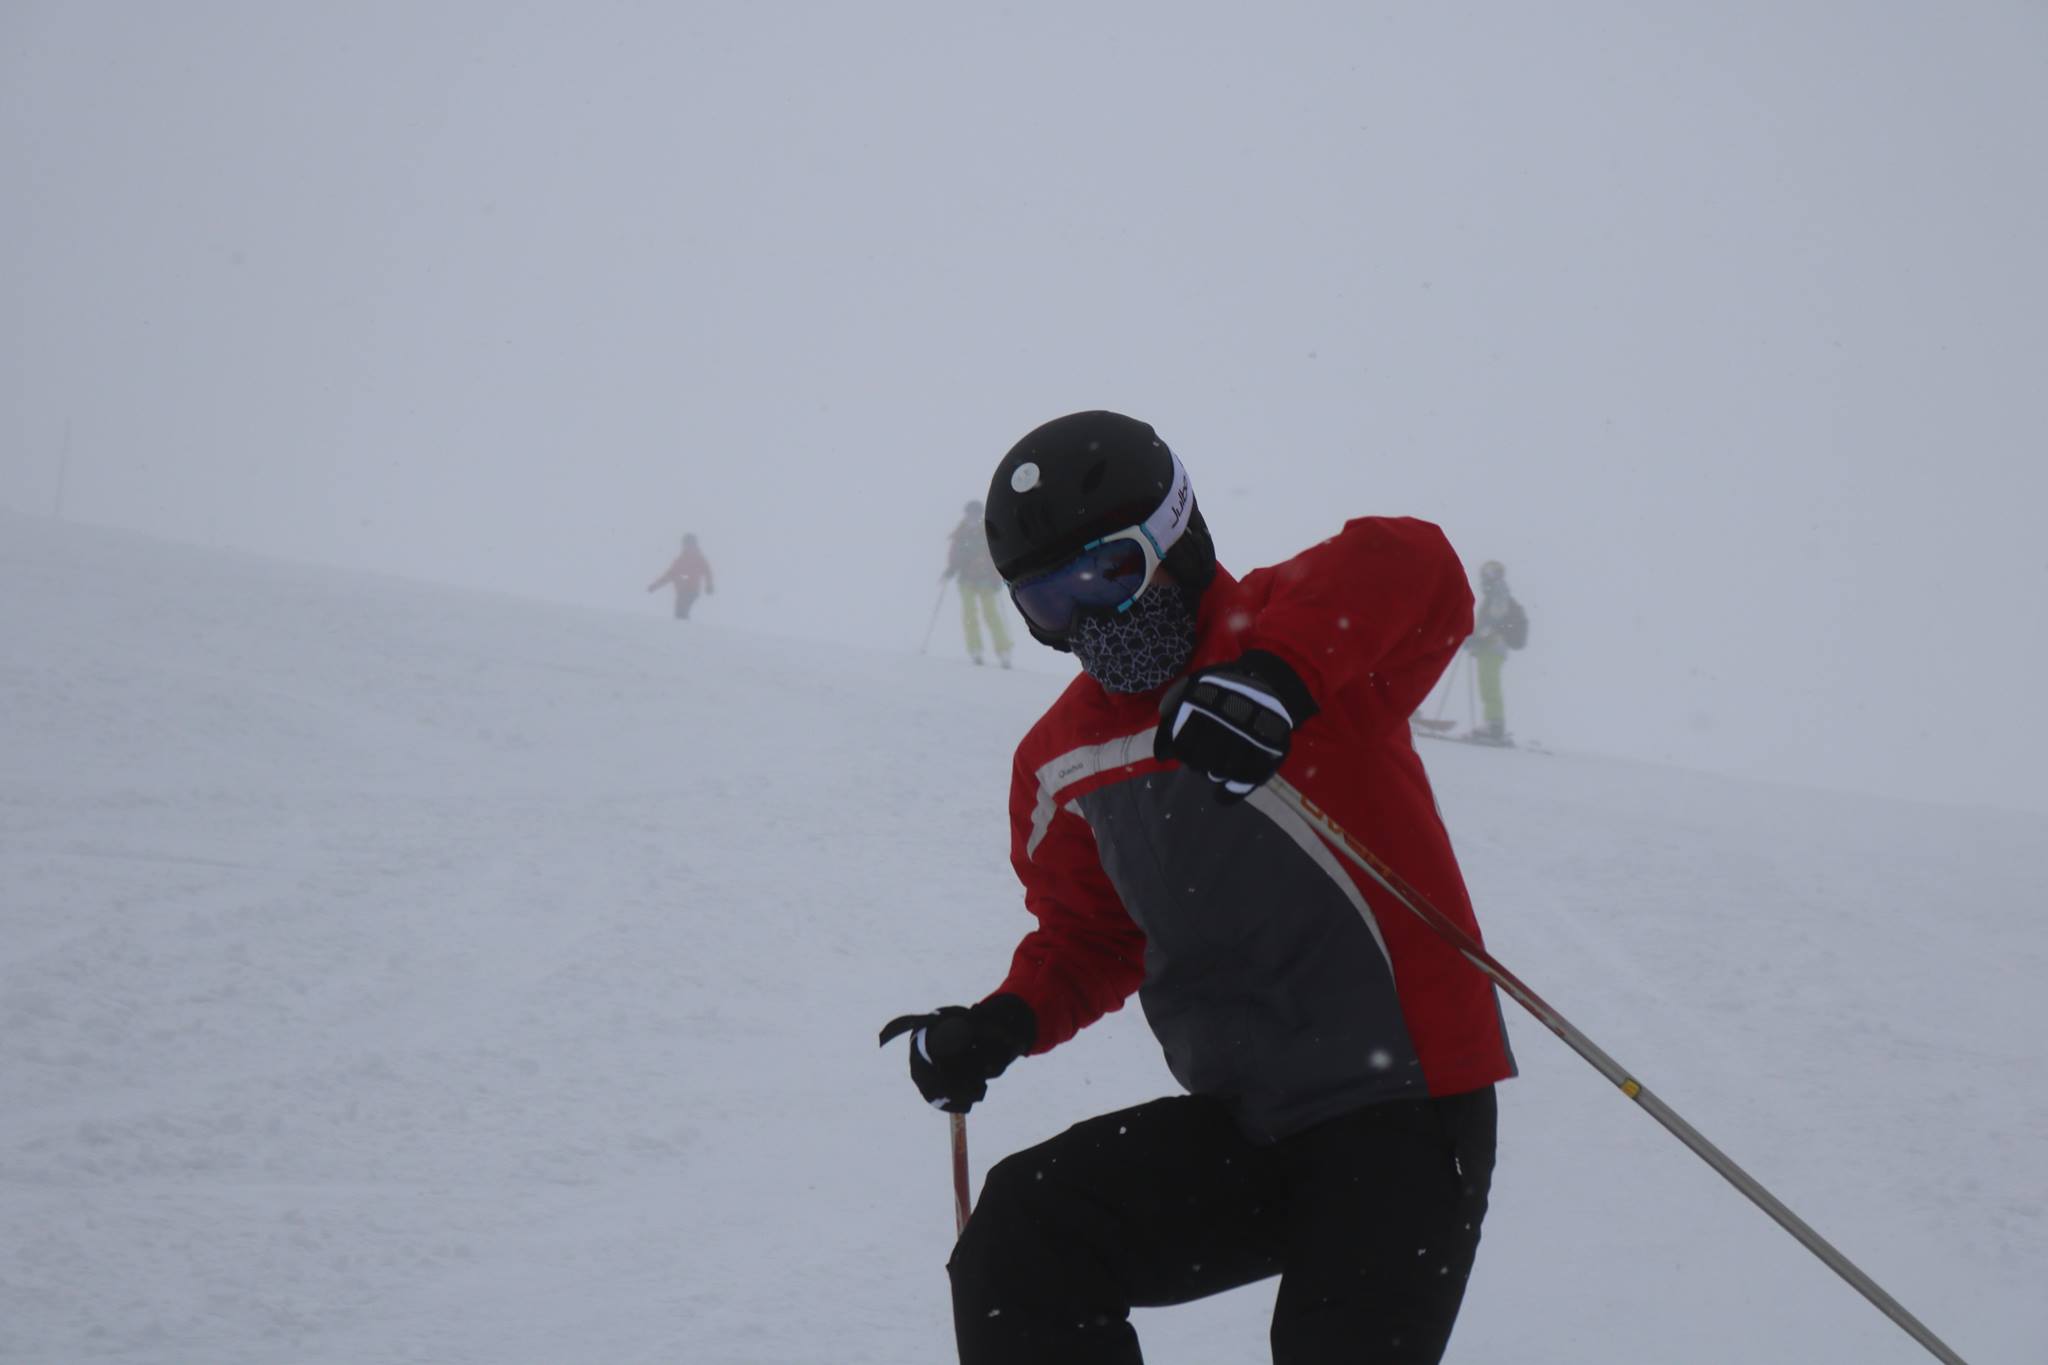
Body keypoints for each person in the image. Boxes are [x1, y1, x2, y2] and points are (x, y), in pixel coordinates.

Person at [881, 411, 1516, 1365]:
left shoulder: (1294, 642)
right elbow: (1094, 937)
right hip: (1249, 1123)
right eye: (1049, 601)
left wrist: (1275, 680)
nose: (1090, 620)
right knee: (1025, 1233)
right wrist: (1006, 1019)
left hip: (1403, 1108)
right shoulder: (1061, 760)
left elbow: (1415, 565)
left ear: (1177, 541)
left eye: (1110, 573)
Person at [942, 499, 1013, 667]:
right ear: (966, 515)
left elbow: (995, 555)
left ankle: (1003, 650)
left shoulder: (986, 532)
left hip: (986, 580)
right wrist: (951, 569)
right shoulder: (961, 533)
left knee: (991, 614)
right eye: (970, 514)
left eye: (976, 514)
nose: (973, 517)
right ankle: (975, 649)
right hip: (966, 580)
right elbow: (955, 555)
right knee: (969, 615)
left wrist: (997, 577)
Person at [1464, 560, 1527, 743]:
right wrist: (1475, 638)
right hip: (1490, 646)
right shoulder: (1495, 593)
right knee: (1488, 684)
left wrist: (1477, 638)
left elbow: (1494, 620)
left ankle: (1495, 725)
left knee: (1489, 684)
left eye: (1488, 573)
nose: (1484, 577)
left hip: (1492, 646)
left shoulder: (1498, 592)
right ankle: (1493, 724)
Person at [646, 533, 714, 620]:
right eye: (686, 544)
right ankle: (683, 626)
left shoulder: (699, 558)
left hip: (691, 590)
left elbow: (707, 572)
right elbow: (669, 575)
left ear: (694, 544)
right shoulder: (680, 559)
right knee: (680, 613)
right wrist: (655, 586)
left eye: (690, 544)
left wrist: (709, 585)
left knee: (681, 612)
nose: (688, 546)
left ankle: (683, 626)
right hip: (682, 591)